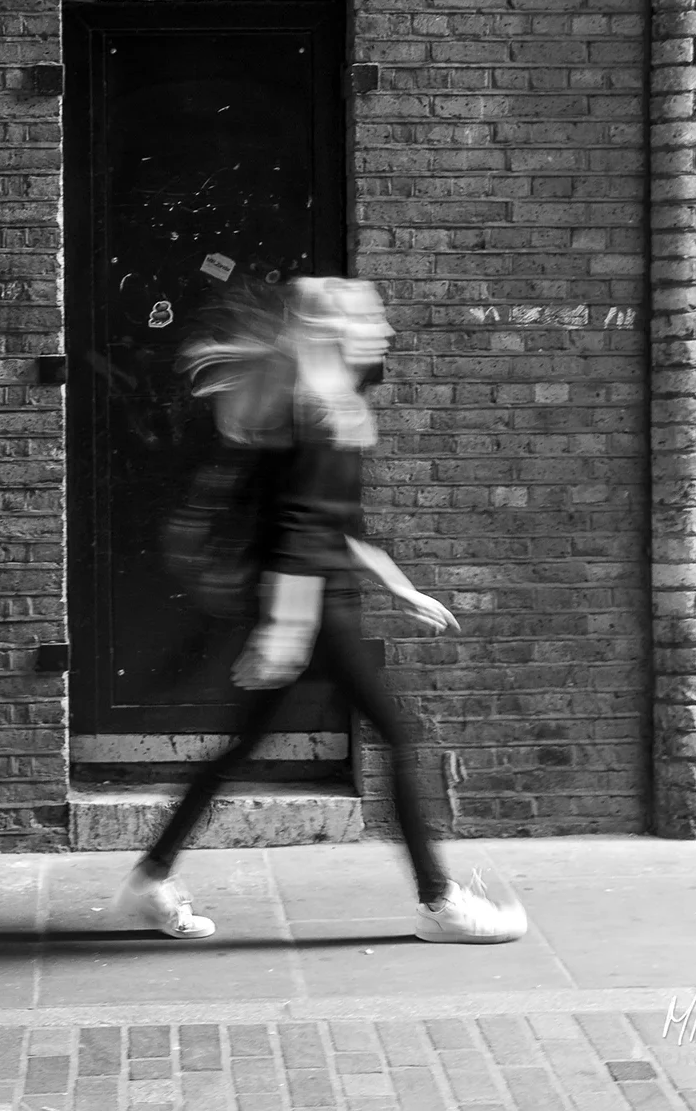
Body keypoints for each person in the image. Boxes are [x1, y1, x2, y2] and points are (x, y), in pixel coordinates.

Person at [117, 276, 528, 946]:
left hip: (314, 598)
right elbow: (298, 533)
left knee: (242, 746)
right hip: (313, 603)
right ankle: (438, 902)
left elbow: (333, 527)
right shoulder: (313, 411)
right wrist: (286, 629)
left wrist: (399, 586)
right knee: (396, 738)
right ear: (337, 332)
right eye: (372, 317)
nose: (385, 327)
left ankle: (152, 876)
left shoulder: (321, 405)